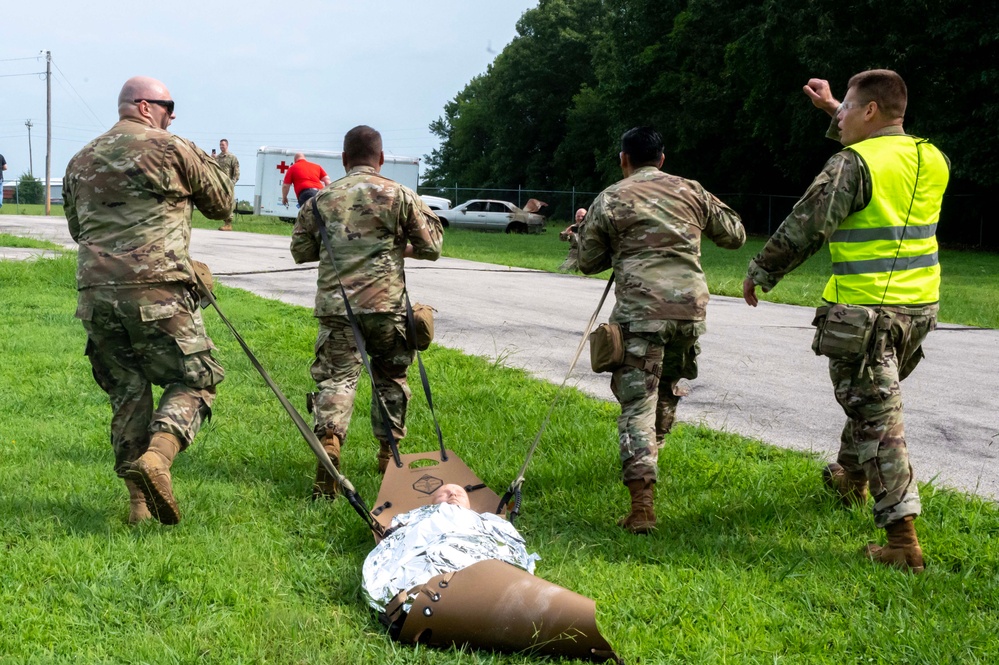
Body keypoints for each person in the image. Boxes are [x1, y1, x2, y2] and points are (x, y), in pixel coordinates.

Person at [743, 70, 949, 573]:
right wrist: (833, 104)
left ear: (871, 111)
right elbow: (873, 147)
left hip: (866, 313)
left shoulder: (851, 164)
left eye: (849, 108)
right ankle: (849, 479)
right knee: (869, 401)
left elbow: (807, 223)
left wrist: (762, 270)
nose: (842, 117)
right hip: (918, 312)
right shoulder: (932, 157)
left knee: (879, 422)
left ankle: (902, 541)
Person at [63, 76, 234, 525]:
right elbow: (222, 203)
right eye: (167, 104)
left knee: (127, 391)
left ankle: (138, 507)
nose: (172, 114)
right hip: (158, 289)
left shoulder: (79, 159)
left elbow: (79, 230)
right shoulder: (171, 147)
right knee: (198, 378)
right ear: (143, 106)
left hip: (96, 296)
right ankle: (158, 457)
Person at [578, 126, 746, 534]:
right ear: (662, 159)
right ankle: (653, 452)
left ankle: (641, 509)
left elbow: (588, 261)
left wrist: (584, 231)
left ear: (624, 160)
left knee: (638, 403)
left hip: (641, 314)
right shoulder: (692, 190)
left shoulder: (611, 198)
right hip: (689, 312)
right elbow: (736, 236)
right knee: (668, 387)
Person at [290, 125, 443, 499]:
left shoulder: (320, 200)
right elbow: (432, 245)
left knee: (337, 379)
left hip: (337, 309)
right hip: (387, 308)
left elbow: (300, 251)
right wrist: (397, 247)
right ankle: (388, 454)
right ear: (381, 158)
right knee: (390, 377)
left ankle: (330, 442)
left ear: (343, 160)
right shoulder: (400, 195)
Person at [362, 484, 538, 613]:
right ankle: (423, 595)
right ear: (432, 503)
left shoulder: (484, 520)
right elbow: (393, 532)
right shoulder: (421, 514)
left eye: (460, 493)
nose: (452, 494)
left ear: (469, 506)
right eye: (444, 493)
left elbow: (508, 537)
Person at [215, 139, 240, 231]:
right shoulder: (217, 158)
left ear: (227, 145)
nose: (221, 146)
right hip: (219, 184)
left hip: (228, 185)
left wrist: (232, 183)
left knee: (228, 203)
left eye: (223, 145)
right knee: (221, 203)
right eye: (220, 145)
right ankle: (224, 222)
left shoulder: (232, 157)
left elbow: (236, 172)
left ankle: (228, 223)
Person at [557, 207, 587, 272]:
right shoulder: (573, 228)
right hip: (574, 254)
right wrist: (567, 233)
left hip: (586, 254)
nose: (580, 218)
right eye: (578, 216)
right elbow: (562, 239)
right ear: (575, 217)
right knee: (563, 269)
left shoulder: (591, 228)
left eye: (582, 216)